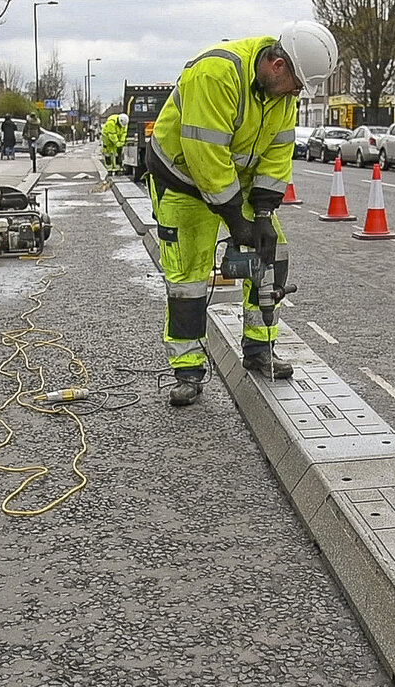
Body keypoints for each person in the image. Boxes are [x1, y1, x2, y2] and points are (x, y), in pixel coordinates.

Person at [145, 20, 338, 406]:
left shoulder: (282, 95)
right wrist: (236, 221)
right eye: (297, 84)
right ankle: (188, 371)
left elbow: (278, 152)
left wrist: (263, 214)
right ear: (277, 66)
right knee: (189, 276)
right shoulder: (215, 74)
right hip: (183, 179)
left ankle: (259, 350)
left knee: (274, 253)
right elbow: (205, 154)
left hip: (236, 179)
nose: (297, 93)